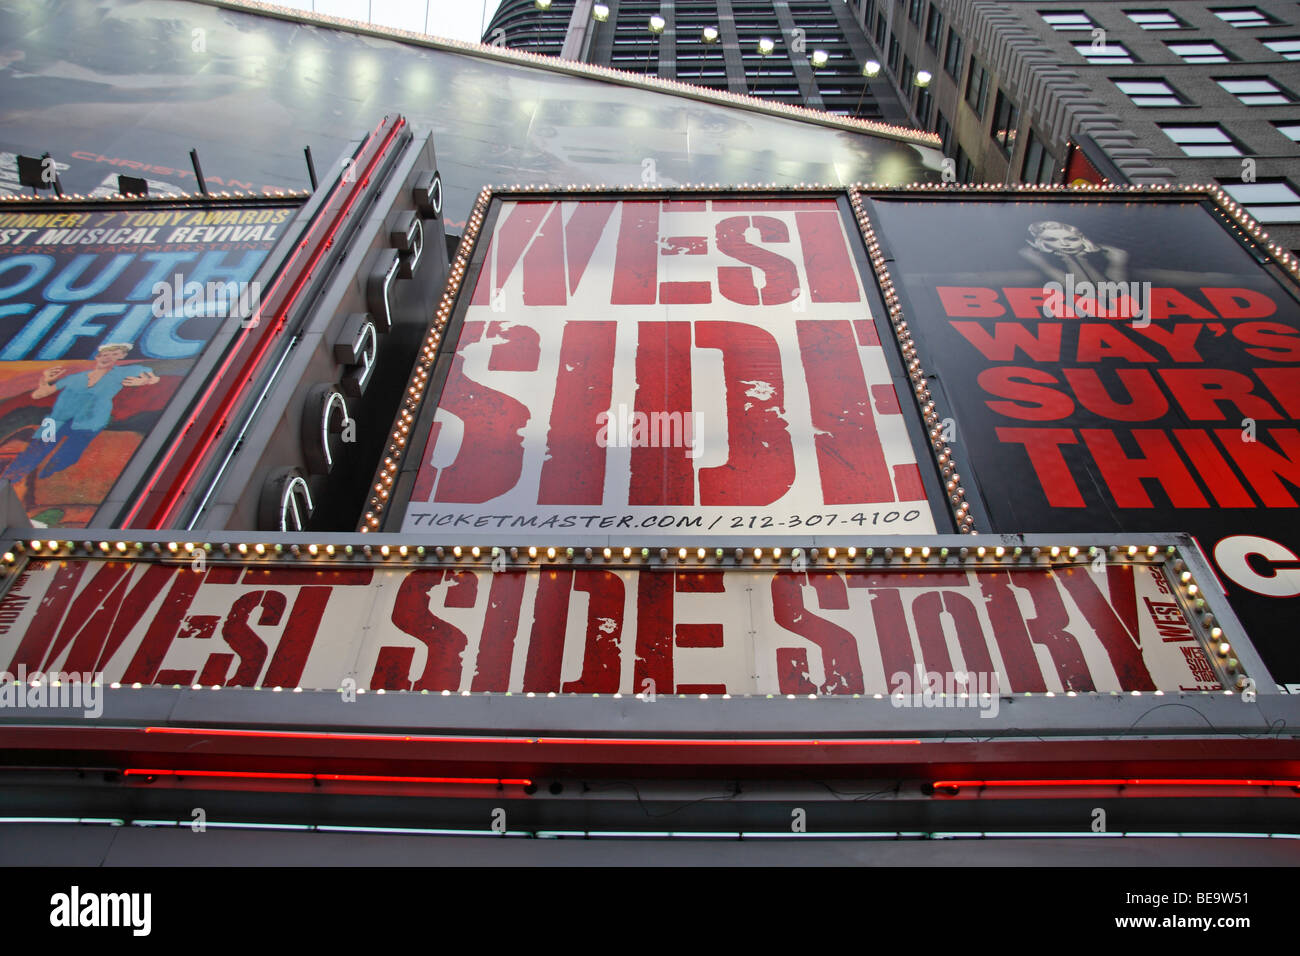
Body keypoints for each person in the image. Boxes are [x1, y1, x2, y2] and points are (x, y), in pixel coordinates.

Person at [2, 343, 159, 482]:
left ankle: (46, 481)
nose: (108, 357)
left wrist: (144, 380)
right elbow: (38, 394)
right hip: (56, 420)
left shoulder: (121, 373)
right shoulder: (76, 378)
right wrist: (45, 379)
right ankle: (8, 481)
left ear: (121, 356)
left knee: (68, 456)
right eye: (105, 354)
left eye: (115, 354)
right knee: (35, 450)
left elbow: (152, 377)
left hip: (89, 422)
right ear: (97, 357)